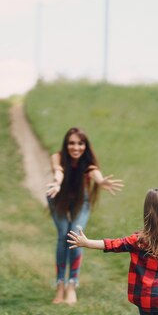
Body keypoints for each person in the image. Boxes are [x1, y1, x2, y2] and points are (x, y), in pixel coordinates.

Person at [46, 127, 124, 305]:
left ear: (85, 145)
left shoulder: (87, 162)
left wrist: (101, 181)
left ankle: (72, 284)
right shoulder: (57, 157)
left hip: (82, 201)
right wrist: (57, 183)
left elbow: (94, 172)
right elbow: (59, 171)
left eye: (80, 143)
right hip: (56, 196)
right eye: (71, 143)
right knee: (63, 236)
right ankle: (60, 284)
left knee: (75, 235)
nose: (76, 147)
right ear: (66, 145)